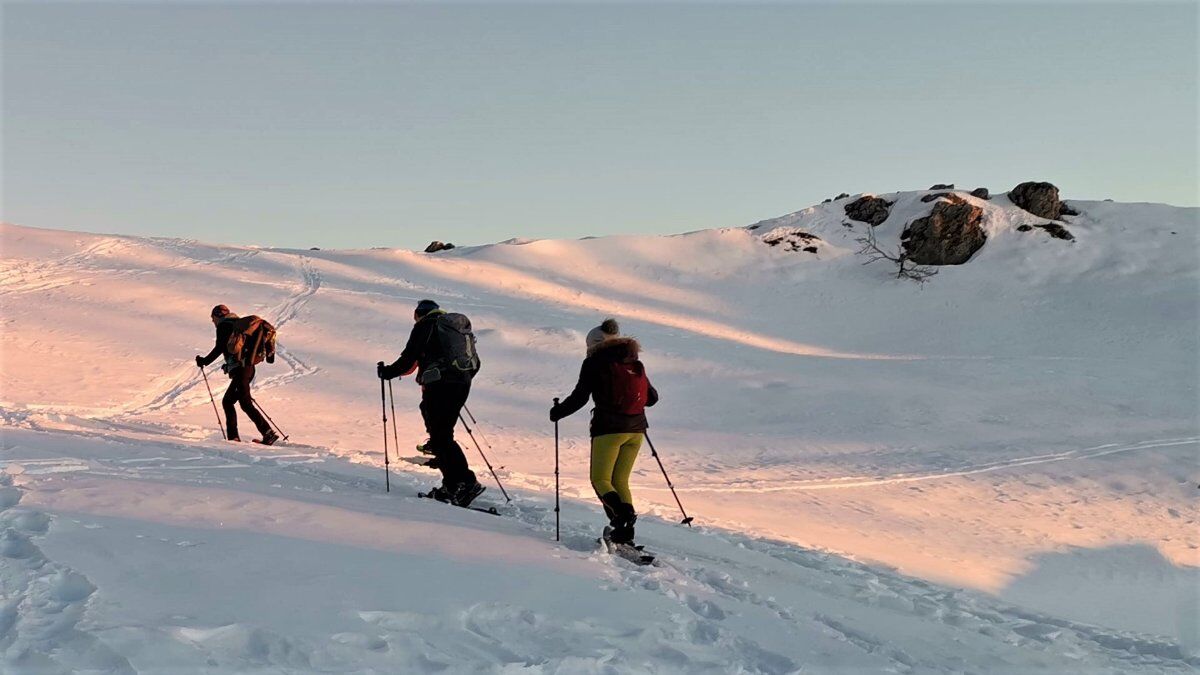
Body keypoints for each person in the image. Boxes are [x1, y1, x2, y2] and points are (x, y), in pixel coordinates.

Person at [551, 319, 658, 547]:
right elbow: (652, 398)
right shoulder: (633, 360)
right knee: (620, 480)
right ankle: (625, 533)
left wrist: (558, 412)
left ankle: (623, 518)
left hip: (609, 429)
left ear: (594, 345)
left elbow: (580, 397)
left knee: (600, 479)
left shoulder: (594, 362)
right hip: (637, 430)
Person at [379, 299, 484, 506]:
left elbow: (409, 360)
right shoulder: (454, 330)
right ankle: (455, 483)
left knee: (441, 437)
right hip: (461, 384)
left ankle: (463, 483)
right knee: (442, 435)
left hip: (440, 386)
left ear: (419, 313)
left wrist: (387, 372)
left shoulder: (426, 326)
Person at [196, 305, 278, 445]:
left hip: (241, 370)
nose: (213, 322)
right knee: (235, 402)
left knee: (238, 402)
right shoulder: (239, 324)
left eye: (213, 318)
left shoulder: (224, 326)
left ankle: (248, 436)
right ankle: (260, 434)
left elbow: (220, 347)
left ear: (217, 316)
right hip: (248, 368)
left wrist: (204, 361)